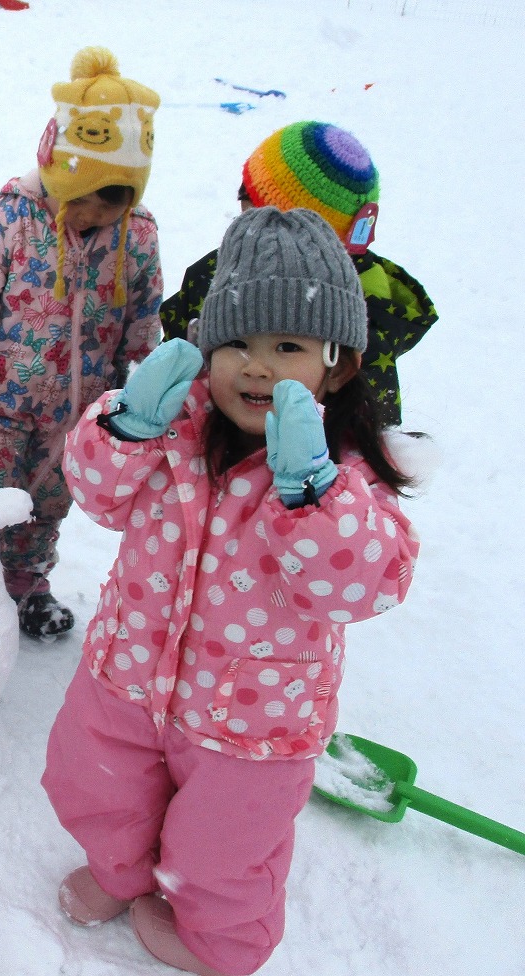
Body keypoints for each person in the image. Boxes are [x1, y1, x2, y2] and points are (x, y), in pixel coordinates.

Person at [41, 207, 421, 975]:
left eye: (287, 347)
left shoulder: (343, 472)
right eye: (236, 345)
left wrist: (310, 495)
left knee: (223, 855)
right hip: (128, 676)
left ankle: (218, 946)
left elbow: (367, 586)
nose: (256, 366)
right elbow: (97, 495)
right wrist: (124, 427)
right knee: (96, 786)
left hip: (251, 720)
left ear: (336, 365)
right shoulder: (173, 429)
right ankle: (121, 876)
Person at [0, 46, 163, 638]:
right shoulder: (10, 218)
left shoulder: (136, 237)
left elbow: (143, 320)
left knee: (46, 507)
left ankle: (25, 587)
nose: (90, 213)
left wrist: (134, 395)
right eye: (80, 195)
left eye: (109, 200)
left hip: (78, 410)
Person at [160, 121, 436, 427]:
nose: (244, 221)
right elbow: (169, 366)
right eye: (244, 198)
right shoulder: (213, 273)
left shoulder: (361, 322)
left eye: (257, 210)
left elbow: (369, 437)